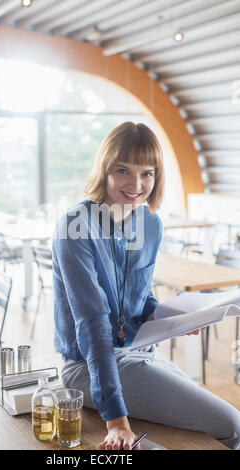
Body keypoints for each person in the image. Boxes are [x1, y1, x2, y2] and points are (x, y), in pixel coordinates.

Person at [52, 122, 240, 450]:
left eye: (147, 173)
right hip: (88, 366)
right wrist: (116, 422)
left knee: (208, 432)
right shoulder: (76, 226)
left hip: (141, 353)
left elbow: (141, 298)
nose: (136, 184)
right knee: (234, 426)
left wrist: (173, 317)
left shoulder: (149, 224)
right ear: (105, 169)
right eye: (123, 170)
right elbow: (92, 323)